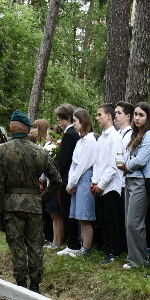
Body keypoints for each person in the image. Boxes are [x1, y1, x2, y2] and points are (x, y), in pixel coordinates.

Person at [0, 111, 66, 292]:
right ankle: (35, 285)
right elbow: (56, 180)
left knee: (17, 246)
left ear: (12, 128)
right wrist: (41, 199)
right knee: (35, 246)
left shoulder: (2, 150)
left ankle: (21, 284)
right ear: (27, 130)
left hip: (11, 205)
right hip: (34, 205)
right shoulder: (39, 151)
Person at [121, 102, 150, 267]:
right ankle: (134, 258)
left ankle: (140, 261)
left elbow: (141, 160)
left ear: (148, 117)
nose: (137, 118)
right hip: (130, 179)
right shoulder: (136, 135)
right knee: (129, 222)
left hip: (140, 182)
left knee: (135, 222)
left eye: (141, 115)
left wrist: (126, 166)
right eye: (135, 114)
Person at [89, 102, 127, 260]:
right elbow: (97, 163)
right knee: (102, 219)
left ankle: (114, 251)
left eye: (100, 115)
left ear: (109, 116)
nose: (97, 118)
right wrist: (95, 181)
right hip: (100, 185)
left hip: (111, 186)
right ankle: (106, 248)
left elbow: (115, 165)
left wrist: (102, 184)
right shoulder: (101, 138)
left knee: (111, 219)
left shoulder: (116, 138)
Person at [63, 108, 97, 255]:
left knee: (85, 216)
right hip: (77, 179)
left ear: (83, 121)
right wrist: (71, 182)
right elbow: (74, 163)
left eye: (76, 121)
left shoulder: (90, 140)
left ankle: (86, 248)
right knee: (79, 216)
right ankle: (82, 245)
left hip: (85, 178)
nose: (74, 124)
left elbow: (83, 164)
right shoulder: (81, 140)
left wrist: (72, 183)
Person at [53, 104, 82, 247]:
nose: (58, 120)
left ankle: (72, 244)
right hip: (69, 176)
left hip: (66, 178)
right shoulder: (73, 134)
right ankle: (71, 242)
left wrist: (56, 174)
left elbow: (64, 159)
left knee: (67, 212)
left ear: (67, 118)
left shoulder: (70, 135)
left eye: (60, 117)